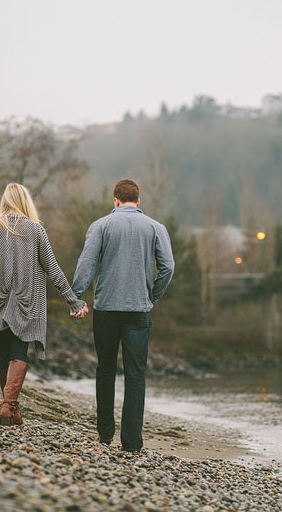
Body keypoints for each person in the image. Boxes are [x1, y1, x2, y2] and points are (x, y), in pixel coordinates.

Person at [0, 183, 87, 426]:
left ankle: (10, 408)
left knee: (3, 358)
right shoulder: (36, 231)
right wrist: (73, 302)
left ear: (5, 201)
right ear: (25, 202)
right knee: (18, 354)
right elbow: (53, 269)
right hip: (26, 306)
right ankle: (8, 407)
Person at [72, 179, 175, 452]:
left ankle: (105, 433)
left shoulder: (101, 226)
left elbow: (87, 263)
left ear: (115, 200)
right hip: (139, 310)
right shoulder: (155, 228)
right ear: (138, 201)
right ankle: (131, 442)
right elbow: (168, 267)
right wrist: (153, 295)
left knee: (105, 369)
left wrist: (76, 296)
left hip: (106, 309)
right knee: (135, 375)